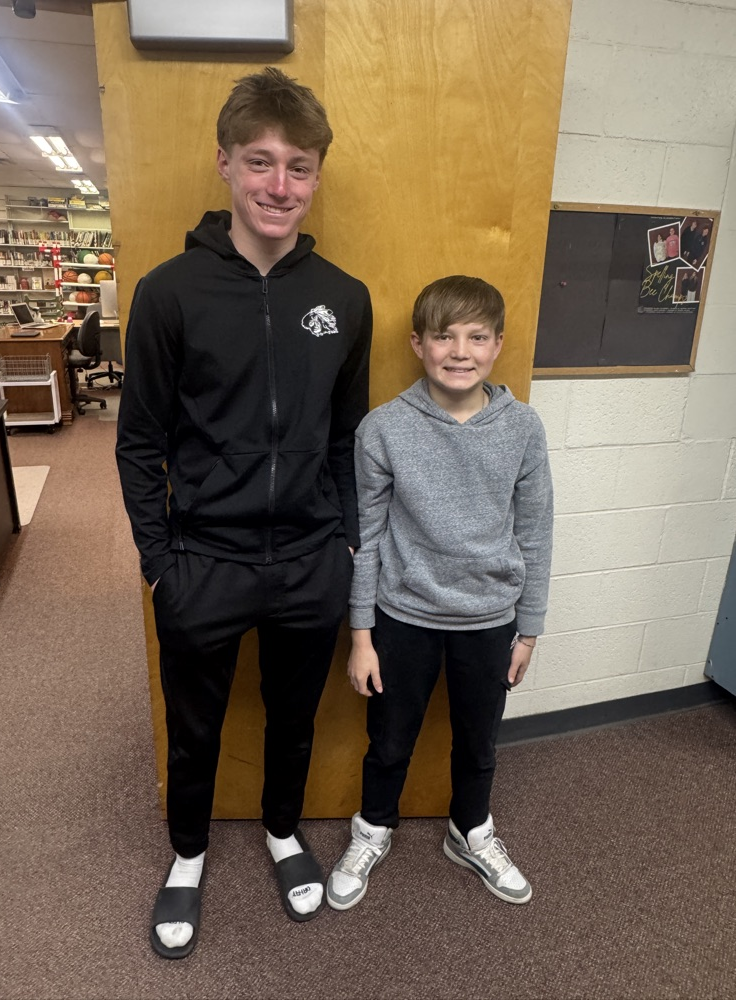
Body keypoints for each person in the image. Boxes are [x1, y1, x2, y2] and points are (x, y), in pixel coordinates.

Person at [116, 67, 372, 958]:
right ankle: (186, 858)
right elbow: (137, 440)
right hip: (204, 563)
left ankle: (281, 834)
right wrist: (160, 562)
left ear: (315, 177)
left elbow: (347, 439)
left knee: (294, 717)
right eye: (260, 162)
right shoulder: (168, 292)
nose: (278, 186)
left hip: (309, 560)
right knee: (196, 725)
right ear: (225, 164)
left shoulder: (343, 298)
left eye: (299, 167)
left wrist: (343, 546)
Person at [326, 275, 553, 912]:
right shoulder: (383, 429)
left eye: (476, 337)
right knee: (390, 739)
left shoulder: (523, 430)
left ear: (497, 345)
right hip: (402, 620)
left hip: (489, 621)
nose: (460, 351)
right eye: (444, 336)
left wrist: (527, 630)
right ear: (418, 344)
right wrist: (362, 637)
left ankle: (470, 830)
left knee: (479, 740)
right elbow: (365, 538)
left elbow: (535, 534)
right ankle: (371, 830)